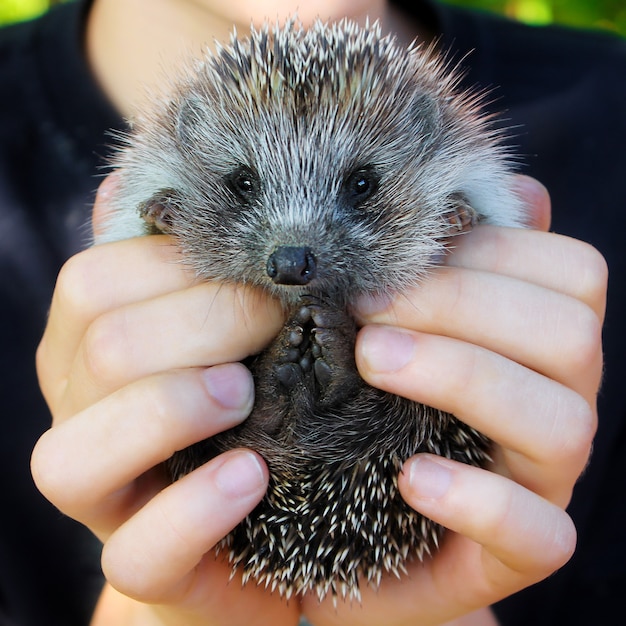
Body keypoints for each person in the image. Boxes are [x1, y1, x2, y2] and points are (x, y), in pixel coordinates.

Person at [0, 0, 623, 624]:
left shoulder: (607, 107)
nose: (294, 251)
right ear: (189, 142)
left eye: (360, 187)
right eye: (243, 187)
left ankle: (295, 404)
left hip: (385, 441)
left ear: (425, 137)